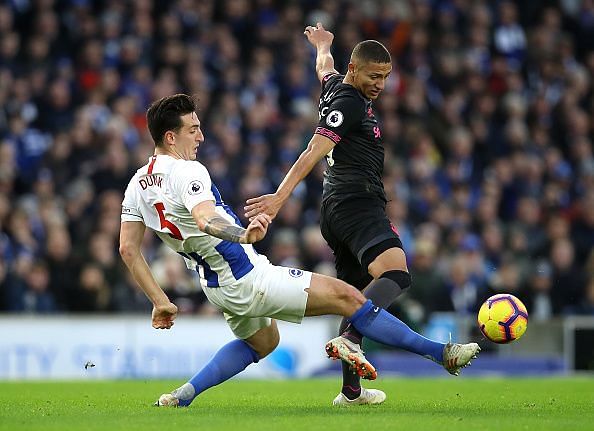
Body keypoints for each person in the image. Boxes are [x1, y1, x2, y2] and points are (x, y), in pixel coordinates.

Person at [119, 94, 480, 408]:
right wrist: (243, 235)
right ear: (171, 136)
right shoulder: (186, 171)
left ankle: (183, 394)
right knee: (349, 298)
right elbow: (204, 220)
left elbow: (128, 250)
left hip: (216, 287)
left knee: (263, 342)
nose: (201, 135)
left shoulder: (137, 184)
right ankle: (441, 354)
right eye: (193, 129)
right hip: (248, 278)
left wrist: (159, 300)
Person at [245, 24, 413, 405]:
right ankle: (351, 338)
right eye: (374, 76)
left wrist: (322, 43)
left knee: (355, 296)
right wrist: (278, 198)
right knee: (396, 273)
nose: (380, 85)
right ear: (356, 70)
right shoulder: (349, 103)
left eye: (385, 77)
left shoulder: (335, 84)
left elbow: (324, 65)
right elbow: (312, 151)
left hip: (336, 208)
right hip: (357, 201)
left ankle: (350, 392)